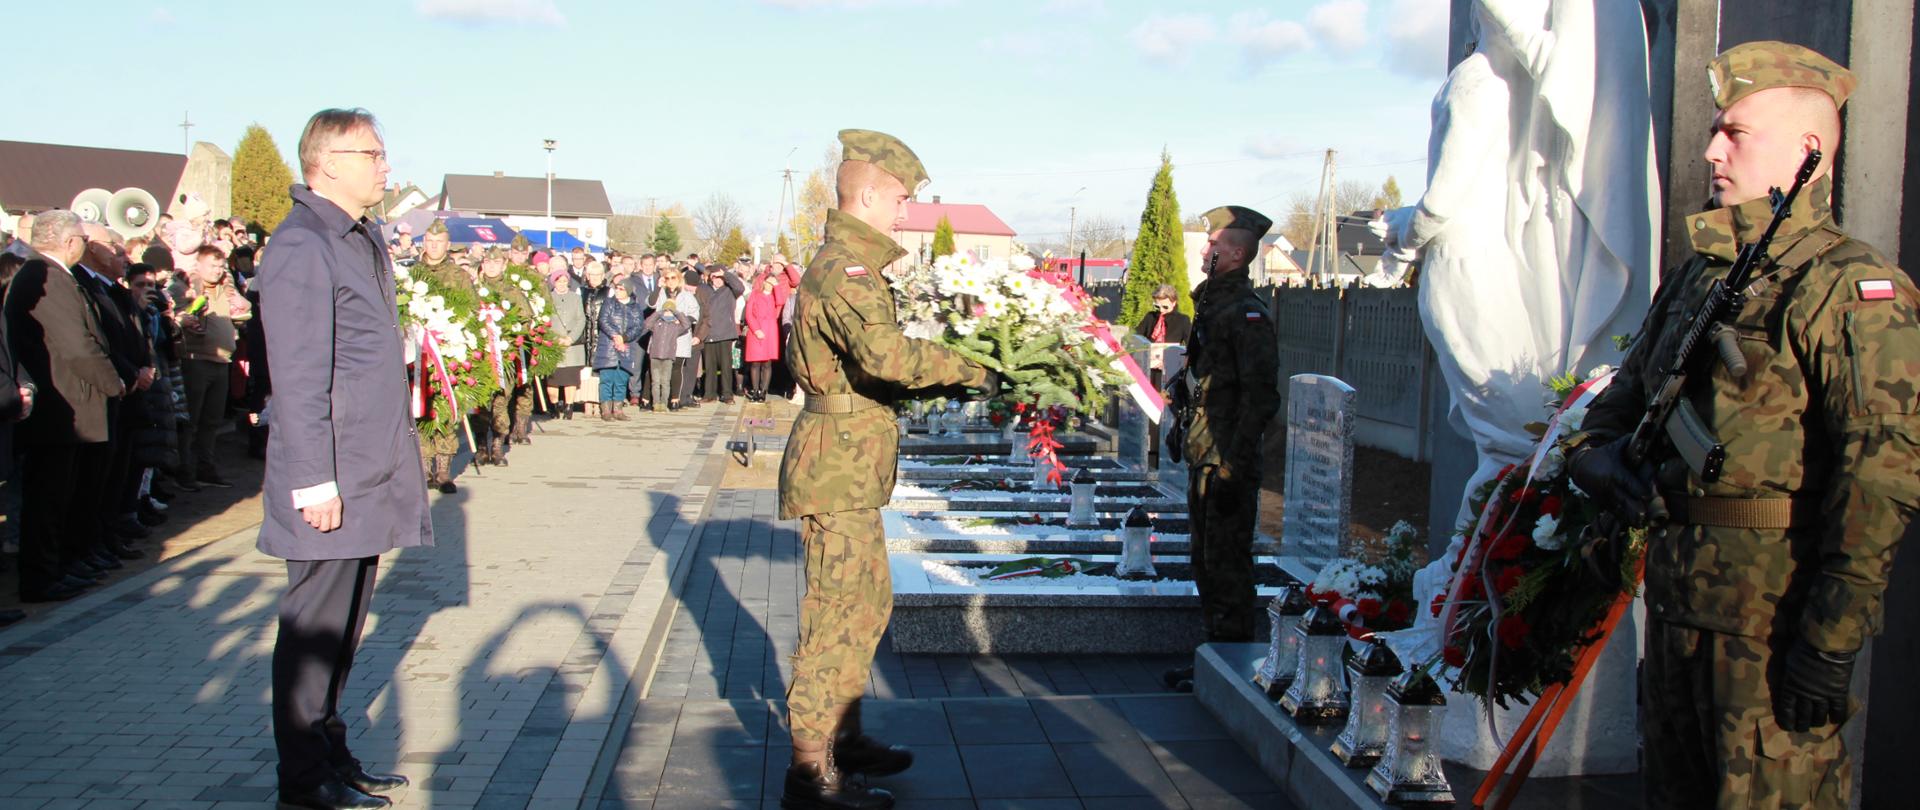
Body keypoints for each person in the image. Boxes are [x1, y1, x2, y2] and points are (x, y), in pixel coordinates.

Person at [1565, 42, 1917, 810]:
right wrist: (1595, 455)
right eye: (1713, 132)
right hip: (1679, 613)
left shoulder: (1849, 287)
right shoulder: (1701, 276)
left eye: (1736, 133)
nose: (1711, 151)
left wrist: (1830, 639)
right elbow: (1627, 394)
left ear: (1807, 151)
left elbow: (1881, 477)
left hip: (1771, 628)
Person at [777, 129, 993, 809]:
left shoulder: (853, 265)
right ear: (868, 195)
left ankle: (843, 736)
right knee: (835, 616)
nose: (904, 214)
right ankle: (809, 774)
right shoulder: (846, 269)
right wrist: (970, 367)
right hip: (834, 467)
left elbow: (870, 366)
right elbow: (885, 357)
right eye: (900, 200)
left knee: (865, 607)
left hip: (850, 465)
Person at [256, 108, 428, 810]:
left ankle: (330, 755)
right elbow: (298, 376)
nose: (386, 166)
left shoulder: (354, 236)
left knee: (343, 628)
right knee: (314, 632)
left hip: (364, 467)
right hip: (330, 472)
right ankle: (302, 782)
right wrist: (312, 482)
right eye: (372, 155)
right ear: (326, 162)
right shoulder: (303, 244)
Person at [1164, 205, 1281, 693]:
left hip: (1226, 459)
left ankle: (1233, 670)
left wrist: (1234, 462)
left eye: (1214, 244)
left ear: (1235, 255)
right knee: (1206, 562)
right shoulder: (1214, 304)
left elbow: (1261, 396)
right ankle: (1214, 661)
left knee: (1228, 565)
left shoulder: (1246, 312)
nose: (1205, 249)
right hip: (1205, 454)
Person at [4, 210, 120, 603]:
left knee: (61, 495)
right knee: (48, 498)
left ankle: (56, 568)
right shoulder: (46, 276)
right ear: (70, 242)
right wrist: (113, 383)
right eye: (83, 239)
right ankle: (41, 577)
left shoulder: (49, 274)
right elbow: (77, 345)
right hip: (58, 405)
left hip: (64, 402)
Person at [176, 244, 252, 489]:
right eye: (212, 265)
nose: (217, 270)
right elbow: (176, 317)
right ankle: (185, 471)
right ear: (199, 265)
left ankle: (205, 467)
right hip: (196, 360)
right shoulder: (186, 287)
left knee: (212, 420)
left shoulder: (225, 289)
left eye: (220, 266)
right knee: (191, 420)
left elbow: (244, 308)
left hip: (222, 361)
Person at [592, 279, 645, 421]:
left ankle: (618, 410)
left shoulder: (635, 307)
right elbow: (603, 321)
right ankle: (606, 410)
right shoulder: (609, 303)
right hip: (608, 345)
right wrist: (615, 336)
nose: (618, 291)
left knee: (621, 379)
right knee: (607, 379)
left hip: (626, 347)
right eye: (617, 288)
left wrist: (624, 337)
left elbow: (638, 326)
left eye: (621, 289)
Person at [651, 266, 701, 409]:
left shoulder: (687, 295)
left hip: (680, 335)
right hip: (662, 336)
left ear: (679, 279)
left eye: (673, 278)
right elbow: (651, 303)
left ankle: (675, 399)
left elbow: (695, 314)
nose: (670, 281)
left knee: (676, 368)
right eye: (667, 278)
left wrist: (682, 320)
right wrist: (658, 287)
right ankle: (660, 399)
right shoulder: (661, 293)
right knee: (660, 369)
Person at [545, 267, 588, 419]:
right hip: (554, 343)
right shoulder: (547, 298)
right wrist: (554, 338)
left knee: (570, 377)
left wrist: (570, 338)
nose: (562, 284)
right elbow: (543, 321)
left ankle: (569, 406)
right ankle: (555, 406)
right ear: (553, 283)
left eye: (565, 281)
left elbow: (581, 319)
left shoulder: (575, 298)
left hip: (572, 345)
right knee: (553, 379)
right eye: (559, 281)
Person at [699, 264, 745, 403]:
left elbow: (740, 287)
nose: (718, 280)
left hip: (725, 333)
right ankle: (709, 394)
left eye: (720, 278)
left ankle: (727, 394)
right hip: (708, 332)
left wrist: (726, 274)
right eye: (715, 277)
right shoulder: (704, 290)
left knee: (726, 366)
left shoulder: (730, 290)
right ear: (710, 278)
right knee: (710, 367)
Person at [1133, 283, 1192, 382]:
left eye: (1165, 307)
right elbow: (1135, 337)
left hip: (1170, 371)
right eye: (1157, 306)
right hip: (1148, 369)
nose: (1161, 310)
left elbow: (1190, 346)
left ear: (1173, 303)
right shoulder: (1150, 317)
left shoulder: (1182, 320)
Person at [741, 269, 782, 402]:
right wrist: (756, 329)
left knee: (767, 363)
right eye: (768, 282)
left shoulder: (774, 296)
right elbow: (748, 314)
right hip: (756, 330)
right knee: (755, 362)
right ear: (763, 282)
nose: (770, 284)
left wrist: (776, 286)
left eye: (772, 282)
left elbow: (780, 302)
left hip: (770, 332)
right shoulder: (755, 294)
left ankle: (763, 391)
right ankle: (755, 391)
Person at [643, 297, 689, 413]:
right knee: (655, 382)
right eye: (666, 310)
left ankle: (663, 403)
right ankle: (656, 404)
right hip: (655, 356)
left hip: (668, 357)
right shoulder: (656, 324)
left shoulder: (675, 326)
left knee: (665, 382)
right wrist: (659, 312)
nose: (668, 312)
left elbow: (686, 325)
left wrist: (676, 312)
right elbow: (647, 323)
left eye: (670, 310)